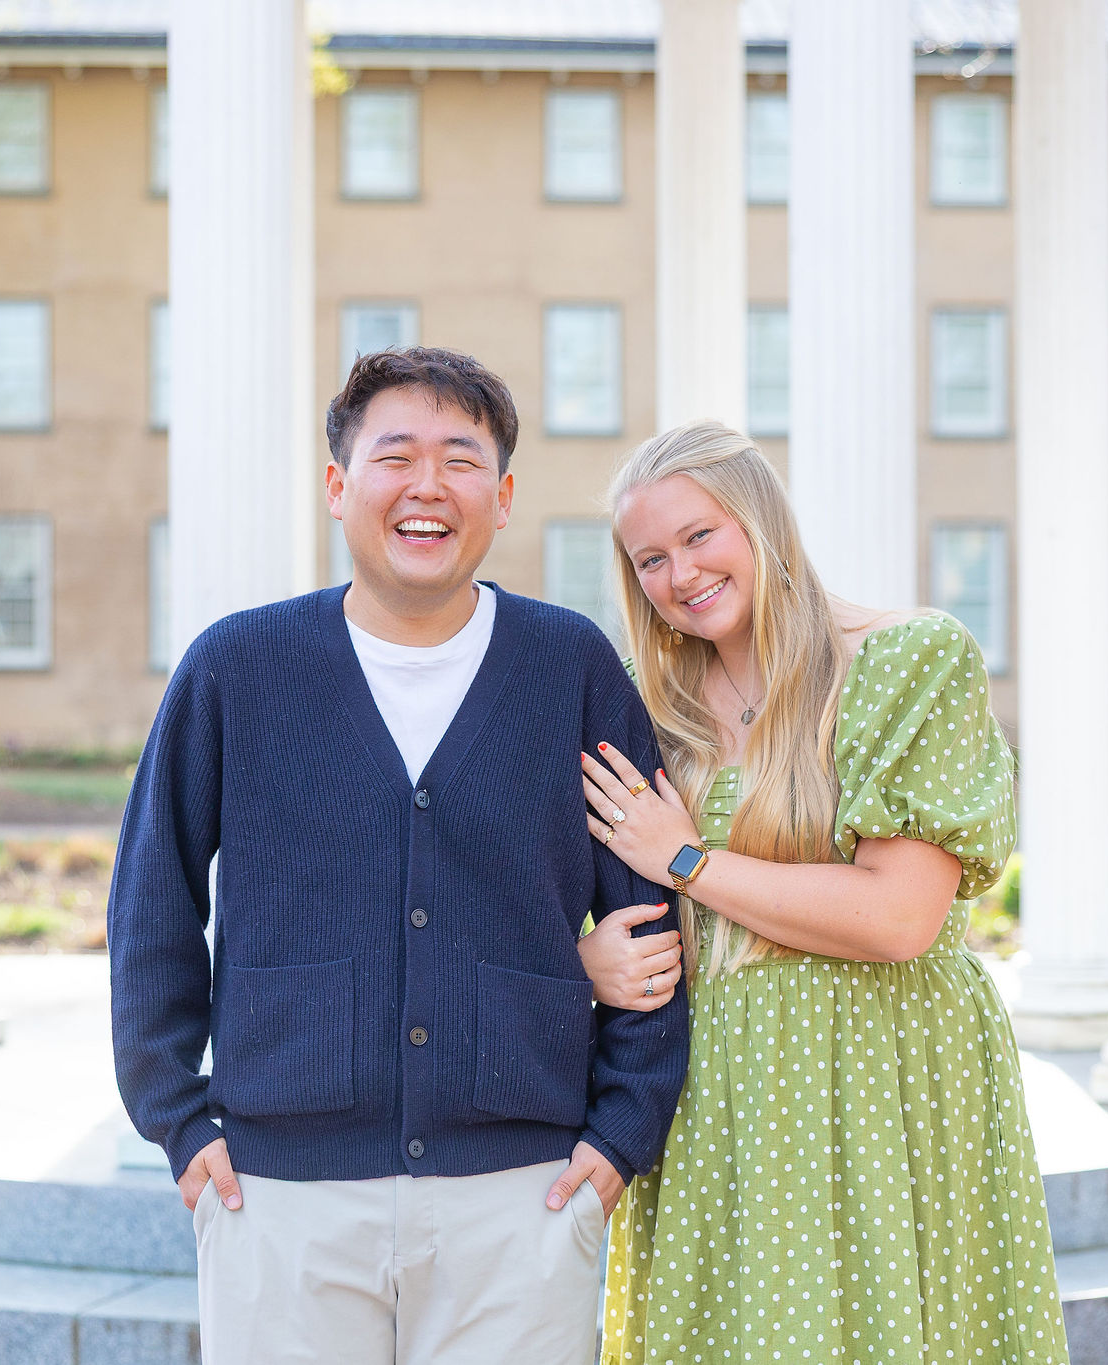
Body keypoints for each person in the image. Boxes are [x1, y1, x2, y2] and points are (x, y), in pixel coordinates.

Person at [108, 347, 688, 1365]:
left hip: (522, 1195)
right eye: (395, 456)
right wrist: (176, 1119)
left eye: (461, 461)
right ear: (338, 487)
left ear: (501, 498)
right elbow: (150, 899)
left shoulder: (571, 669)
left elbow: (647, 927)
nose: (428, 486)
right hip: (278, 1194)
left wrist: (617, 1141)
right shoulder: (236, 669)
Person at [574, 420, 1070, 1364]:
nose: (679, 575)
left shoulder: (906, 661)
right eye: (649, 559)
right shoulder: (643, 704)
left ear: (761, 522)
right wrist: (583, 961)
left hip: (879, 1067)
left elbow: (897, 918)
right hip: (708, 1084)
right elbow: (547, 874)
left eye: (699, 536)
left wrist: (690, 861)